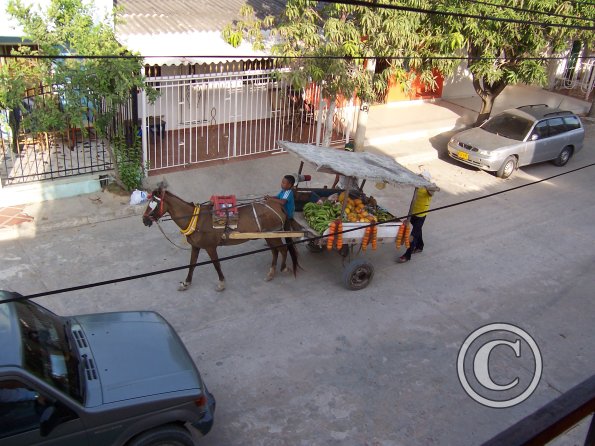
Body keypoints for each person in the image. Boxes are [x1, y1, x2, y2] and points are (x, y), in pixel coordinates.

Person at [397, 170, 439, 263]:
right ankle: (420, 246)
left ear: (426, 180)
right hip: (413, 212)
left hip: (421, 215)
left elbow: (434, 189)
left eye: (421, 177)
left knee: (413, 236)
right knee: (418, 230)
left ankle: (407, 256)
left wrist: (429, 185)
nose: (419, 178)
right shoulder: (418, 185)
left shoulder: (429, 189)